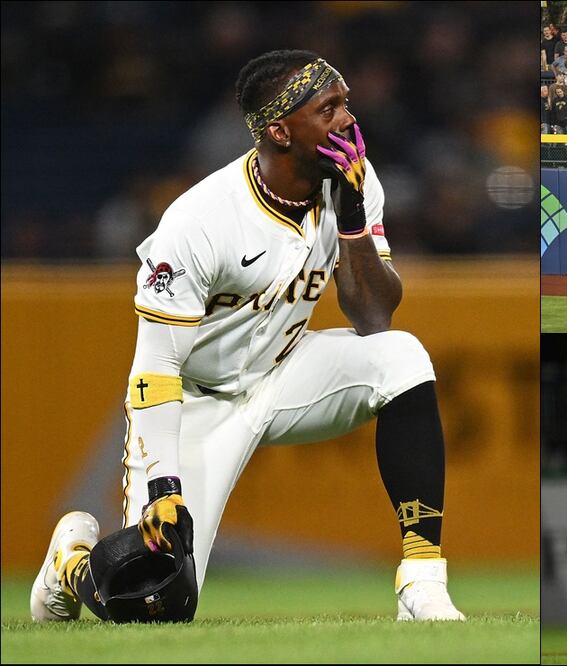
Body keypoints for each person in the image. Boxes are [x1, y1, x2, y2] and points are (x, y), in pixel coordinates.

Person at [30, 50, 467, 625]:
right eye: (328, 108)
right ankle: (72, 563)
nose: (347, 121)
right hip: (195, 399)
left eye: (346, 104)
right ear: (280, 130)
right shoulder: (200, 219)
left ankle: (422, 583)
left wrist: (354, 220)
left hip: (285, 372)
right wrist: (163, 484)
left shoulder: (354, 183)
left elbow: (374, 317)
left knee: (403, 355)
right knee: (159, 605)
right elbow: (155, 367)